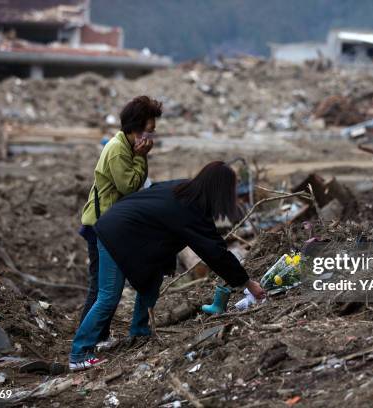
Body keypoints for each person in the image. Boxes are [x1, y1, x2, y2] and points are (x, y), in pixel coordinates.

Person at [69, 161, 266, 370]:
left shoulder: (184, 190)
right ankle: (79, 353)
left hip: (130, 233)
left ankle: (139, 331)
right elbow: (215, 252)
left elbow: (161, 219)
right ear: (220, 189)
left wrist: (166, 261)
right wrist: (247, 283)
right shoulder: (191, 207)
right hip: (115, 233)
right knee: (109, 296)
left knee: (151, 280)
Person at [78, 95, 162, 344]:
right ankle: (88, 340)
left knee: (106, 286)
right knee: (101, 288)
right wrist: (142, 157)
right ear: (135, 129)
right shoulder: (118, 150)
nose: (151, 137)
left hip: (113, 224)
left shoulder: (126, 146)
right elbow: (129, 187)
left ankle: (98, 336)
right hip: (100, 225)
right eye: (148, 131)